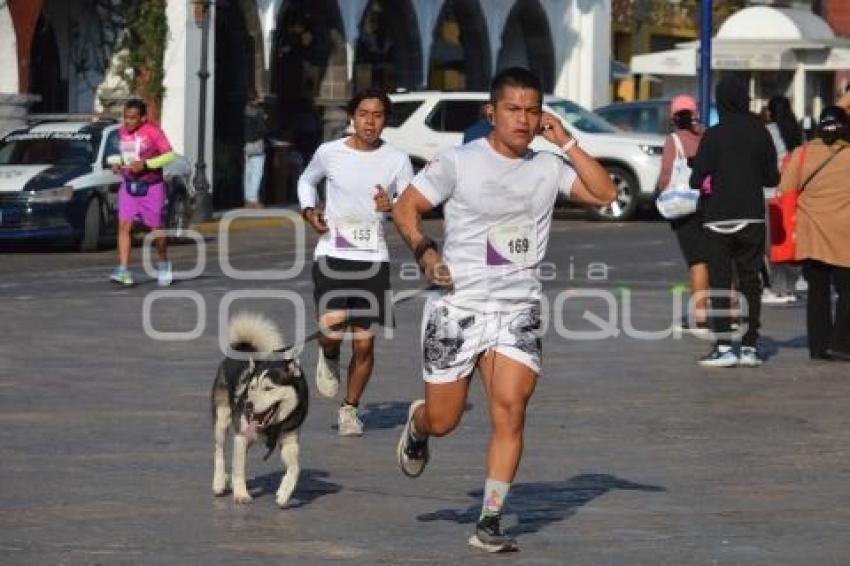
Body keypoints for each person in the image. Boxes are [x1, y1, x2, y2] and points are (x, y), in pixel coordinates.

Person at [392, 67, 616, 552]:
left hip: (517, 312)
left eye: (532, 110)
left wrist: (567, 141)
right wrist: (426, 253)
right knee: (445, 420)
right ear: (491, 113)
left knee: (511, 412)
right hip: (458, 308)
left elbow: (605, 194)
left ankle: (489, 521)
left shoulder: (549, 166)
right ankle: (419, 425)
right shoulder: (458, 161)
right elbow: (405, 208)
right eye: (513, 109)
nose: (523, 119)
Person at [297, 87, 413, 436]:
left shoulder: (397, 160)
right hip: (333, 253)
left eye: (377, 115)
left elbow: (411, 204)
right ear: (353, 116)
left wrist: (392, 206)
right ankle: (329, 355)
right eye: (364, 114)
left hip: (373, 258)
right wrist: (309, 210)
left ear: (385, 121)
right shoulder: (329, 152)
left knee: (364, 343)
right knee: (331, 329)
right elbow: (307, 180)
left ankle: (350, 408)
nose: (370, 122)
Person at [689, 76, 779, 368]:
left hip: (718, 218)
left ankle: (725, 346)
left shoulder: (713, 136)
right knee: (750, 281)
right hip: (751, 216)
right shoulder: (760, 133)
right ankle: (750, 345)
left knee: (719, 281)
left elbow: (696, 180)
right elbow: (771, 178)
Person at [777, 106, 850, 361]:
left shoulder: (802, 153)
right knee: (847, 290)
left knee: (817, 291)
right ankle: (842, 343)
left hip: (811, 235)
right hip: (844, 235)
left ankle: (818, 346)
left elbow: (786, 187)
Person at [108, 99, 176, 287]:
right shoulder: (122, 132)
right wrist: (116, 163)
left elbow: (169, 155)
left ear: (143, 118)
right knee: (124, 226)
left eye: (132, 118)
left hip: (151, 187)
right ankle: (123, 270)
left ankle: (163, 263)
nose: (128, 122)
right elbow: (120, 154)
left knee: (156, 230)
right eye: (125, 117)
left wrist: (146, 165)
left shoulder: (153, 132)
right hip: (129, 185)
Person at [657, 94, 709, 333]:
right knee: (718, 260)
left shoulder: (674, 140)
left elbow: (665, 178)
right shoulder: (708, 135)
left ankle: (700, 317)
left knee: (697, 261)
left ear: (674, 117)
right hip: (710, 203)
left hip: (686, 209)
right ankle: (730, 313)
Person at [762, 95, 804, 304]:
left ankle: (778, 288)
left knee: (774, 243)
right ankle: (791, 286)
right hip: (794, 193)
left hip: (772, 193)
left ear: (771, 112)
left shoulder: (767, 132)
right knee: (793, 240)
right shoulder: (797, 132)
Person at [243, 88, 268, 208]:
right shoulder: (259, 111)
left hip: (246, 144)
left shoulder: (245, 110)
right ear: (256, 97)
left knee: (248, 172)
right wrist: (265, 120)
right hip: (257, 143)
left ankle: (248, 198)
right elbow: (262, 129)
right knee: (257, 172)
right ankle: (253, 199)